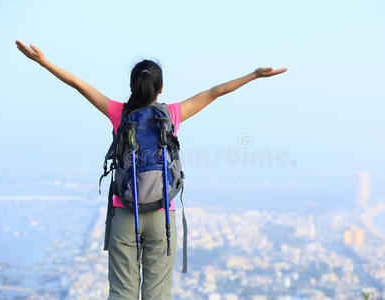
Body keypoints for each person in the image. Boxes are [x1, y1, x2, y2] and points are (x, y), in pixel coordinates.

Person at [15, 40, 287, 300]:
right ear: (161, 89)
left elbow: (77, 84)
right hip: (162, 218)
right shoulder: (172, 114)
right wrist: (253, 75)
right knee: (157, 295)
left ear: (132, 86)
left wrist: (43, 62)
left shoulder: (118, 113)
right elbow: (215, 92)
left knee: (122, 294)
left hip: (124, 213)